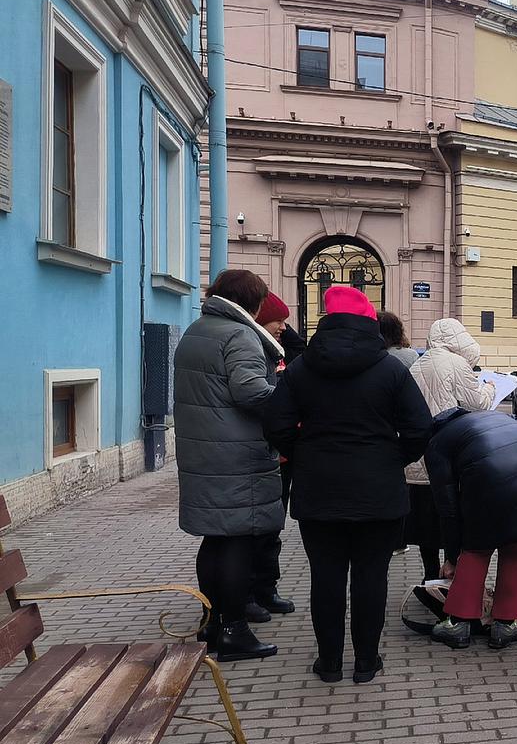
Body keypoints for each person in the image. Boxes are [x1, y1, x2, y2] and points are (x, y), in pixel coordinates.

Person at [262, 286, 432, 684]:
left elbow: (276, 425)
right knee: (372, 577)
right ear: (369, 322)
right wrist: (394, 458)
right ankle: (367, 662)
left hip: (318, 490)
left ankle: (330, 663)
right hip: (379, 491)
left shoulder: (301, 368)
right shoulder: (392, 370)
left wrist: (304, 456)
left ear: (326, 320)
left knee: (326, 577)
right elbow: (420, 427)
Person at [173, 268, 286, 662]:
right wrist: (288, 398)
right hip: (236, 455)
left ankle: (211, 622)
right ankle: (234, 630)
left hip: (202, 453)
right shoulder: (239, 335)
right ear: (252, 303)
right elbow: (250, 391)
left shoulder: (197, 330)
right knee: (237, 540)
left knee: (215, 540)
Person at [424, 408, 517, 650]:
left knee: (477, 547)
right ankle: (505, 625)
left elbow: (447, 509)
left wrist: (451, 557)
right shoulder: (497, 418)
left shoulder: (438, 442)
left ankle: (458, 623)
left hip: (493, 477)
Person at [405, 319, 495, 588]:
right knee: (451, 520)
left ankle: (430, 576)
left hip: (419, 461)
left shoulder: (415, 366)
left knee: (425, 526)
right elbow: (477, 404)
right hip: (451, 458)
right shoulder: (457, 364)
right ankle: (452, 576)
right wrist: (489, 387)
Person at [249, 292, 301, 620]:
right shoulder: (251, 350)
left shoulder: (273, 350)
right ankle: (250, 592)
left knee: (273, 526)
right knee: (256, 530)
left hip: (279, 457)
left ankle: (267, 588)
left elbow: (300, 352)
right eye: (277, 320)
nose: (283, 327)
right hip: (259, 455)